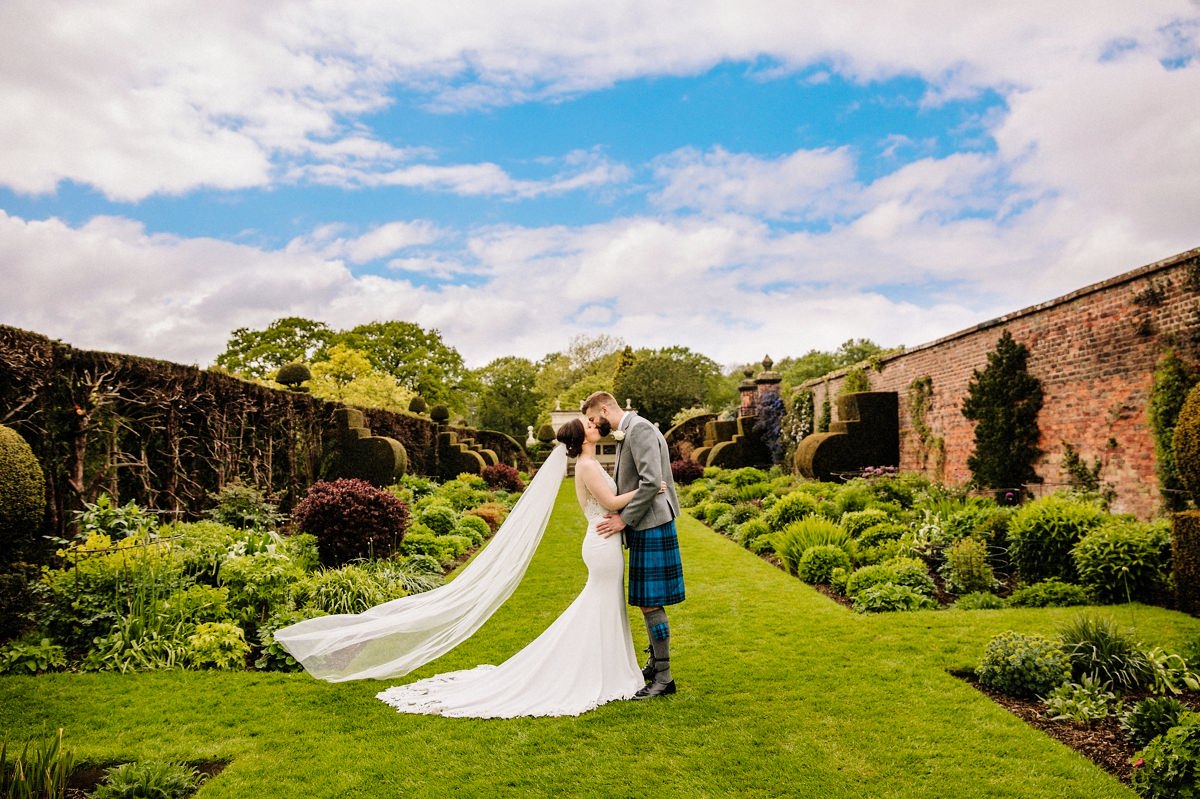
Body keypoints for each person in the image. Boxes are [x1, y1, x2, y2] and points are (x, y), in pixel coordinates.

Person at [375, 417, 660, 717]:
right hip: (602, 544)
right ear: (582, 437)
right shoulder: (587, 466)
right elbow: (612, 503)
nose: (594, 425)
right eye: (587, 424)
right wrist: (648, 489)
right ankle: (592, 668)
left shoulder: (588, 463)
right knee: (599, 604)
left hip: (603, 539)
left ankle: (609, 665)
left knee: (605, 604)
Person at [584, 390, 684, 699]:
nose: (591, 424)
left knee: (649, 601)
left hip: (651, 521)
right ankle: (656, 666)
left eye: (591, 418)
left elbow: (651, 482)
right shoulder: (632, 430)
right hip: (649, 521)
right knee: (647, 600)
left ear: (604, 409)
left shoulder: (639, 428)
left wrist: (623, 520)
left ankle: (664, 678)